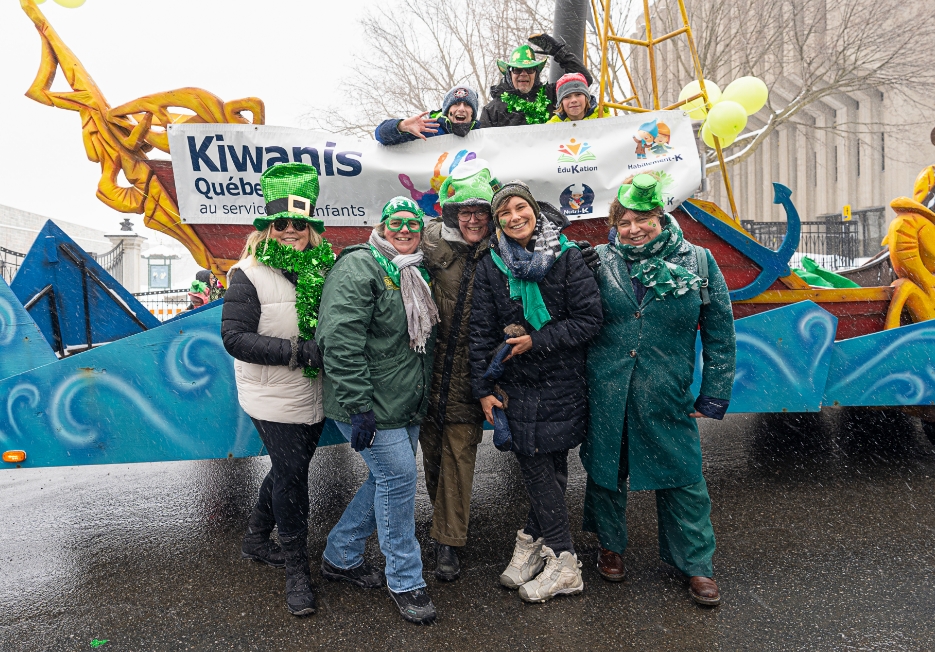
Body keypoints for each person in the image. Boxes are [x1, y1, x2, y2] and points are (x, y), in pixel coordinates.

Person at [579, 174, 736, 606]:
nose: (633, 229)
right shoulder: (596, 261)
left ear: (661, 218)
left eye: (643, 218)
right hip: (607, 389)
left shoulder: (698, 261)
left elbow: (721, 332)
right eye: (624, 221)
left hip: (666, 391)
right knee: (607, 471)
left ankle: (696, 565)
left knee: (684, 478)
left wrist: (714, 392)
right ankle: (609, 547)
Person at [469, 181, 602, 603]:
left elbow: (589, 320)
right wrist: (483, 389)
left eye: (519, 207)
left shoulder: (566, 257)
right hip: (516, 386)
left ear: (534, 209)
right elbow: (479, 331)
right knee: (540, 470)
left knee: (549, 469)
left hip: (563, 382)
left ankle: (560, 561)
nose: (513, 217)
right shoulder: (491, 264)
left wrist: (537, 341)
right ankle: (541, 545)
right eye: (504, 212)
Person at [315, 196, 440, 625]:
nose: (404, 231)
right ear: (382, 226)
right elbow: (340, 340)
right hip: (369, 403)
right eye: (396, 223)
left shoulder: (414, 269)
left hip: (404, 401)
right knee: (400, 479)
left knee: (388, 479)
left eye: (412, 224)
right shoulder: (359, 266)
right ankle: (406, 580)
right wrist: (359, 406)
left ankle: (341, 555)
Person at [221, 162, 336, 616]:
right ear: (268, 227)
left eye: (300, 223)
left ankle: (254, 539)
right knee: (293, 475)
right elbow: (235, 339)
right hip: (270, 394)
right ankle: (296, 569)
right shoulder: (247, 273)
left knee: (291, 466)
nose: (291, 230)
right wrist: (298, 351)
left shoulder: (326, 267)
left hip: (314, 392)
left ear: (311, 227)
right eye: (281, 223)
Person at [420, 158, 495, 582]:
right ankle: (444, 522)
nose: (472, 220)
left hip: (473, 376)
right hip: (429, 373)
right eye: (464, 212)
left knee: (458, 458)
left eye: (480, 213)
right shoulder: (434, 242)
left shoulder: (502, 253)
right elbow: (394, 242)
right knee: (433, 458)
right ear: (451, 213)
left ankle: (448, 542)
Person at [480, 34, 593, 128]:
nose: (523, 74)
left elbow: (583, 80)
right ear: (509, 74)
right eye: (517, 70)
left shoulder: (551, 95)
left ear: (536, 73)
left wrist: (560, 52)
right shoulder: (493, 110)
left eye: (529, 69)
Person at [376, 86, 482, 145]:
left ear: (473, 113)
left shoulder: (482, 134)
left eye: (467, 105)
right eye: (456, 104)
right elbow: (381, 136)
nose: (462, 109)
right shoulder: (428, 130)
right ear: (447, 110)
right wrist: (401, 127)